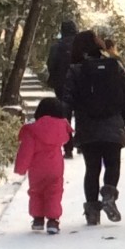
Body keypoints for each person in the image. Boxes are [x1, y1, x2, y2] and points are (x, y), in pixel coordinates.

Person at [67, 27, 125, 225]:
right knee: (113, 163)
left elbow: (67, 100)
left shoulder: (76, 70)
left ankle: (92, 213)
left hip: (88, 126)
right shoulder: (115, 65)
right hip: (113, 123)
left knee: (92, 168)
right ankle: (108, 194)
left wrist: (66, 126)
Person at [13, 96, 71, 234]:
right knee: (54, 192)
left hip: (37, 168)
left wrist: (21, 168)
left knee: (36, 192)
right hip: (55, 166)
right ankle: (53, 220)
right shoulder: (61, 128)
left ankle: (38, 219)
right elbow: (68, 138)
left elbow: (26, 151)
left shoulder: (32, 131)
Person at [43, 19, 79, 159]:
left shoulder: (56, 46)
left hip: (61, 84)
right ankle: (81, 144)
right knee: (82, 113)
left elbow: (50, 64)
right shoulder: (81, 44)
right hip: (80, 84)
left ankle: (68, 148)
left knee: (65, 116)